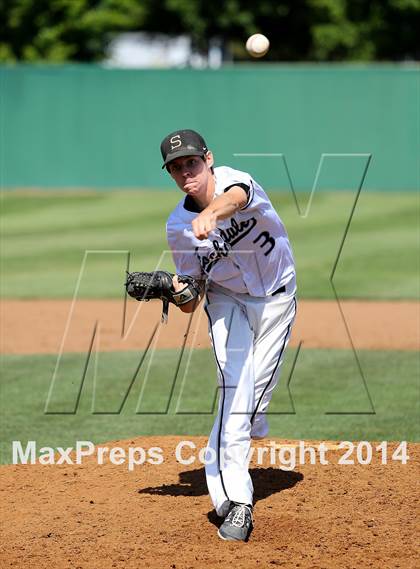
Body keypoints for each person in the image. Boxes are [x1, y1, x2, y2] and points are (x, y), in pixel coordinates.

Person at [161, 129, 297, 542]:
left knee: (250, 405)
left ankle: (245, 425)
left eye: (191, 163)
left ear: (208, 159)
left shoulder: (236, 179)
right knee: (235, 391)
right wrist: (172, 289)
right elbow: (190, 297)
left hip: (277, 298)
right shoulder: (177, 226)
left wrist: (213, 213)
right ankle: (235, 502)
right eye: (176, 167)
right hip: (226, 302)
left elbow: (237, 197)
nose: (186, 172)